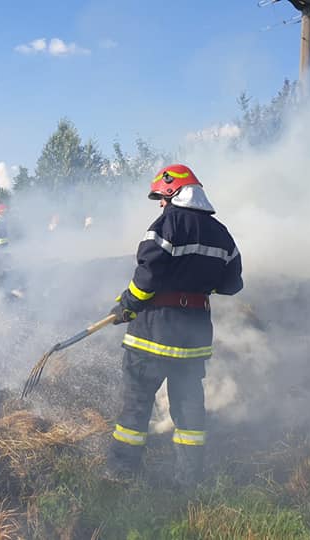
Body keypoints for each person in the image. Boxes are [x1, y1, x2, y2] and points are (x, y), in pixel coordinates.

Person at [105, 163, 243, 488]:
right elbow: (232, 284)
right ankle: (188, 480)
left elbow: (147, 275)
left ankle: (121, 474)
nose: (160, 204)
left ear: (173, 191)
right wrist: (198, 286)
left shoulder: (167, 224)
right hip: (193, 340)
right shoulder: (222, 233)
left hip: (152, 336)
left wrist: (128, 303)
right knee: (189, 409)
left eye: (161, 197)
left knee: (136, 406)